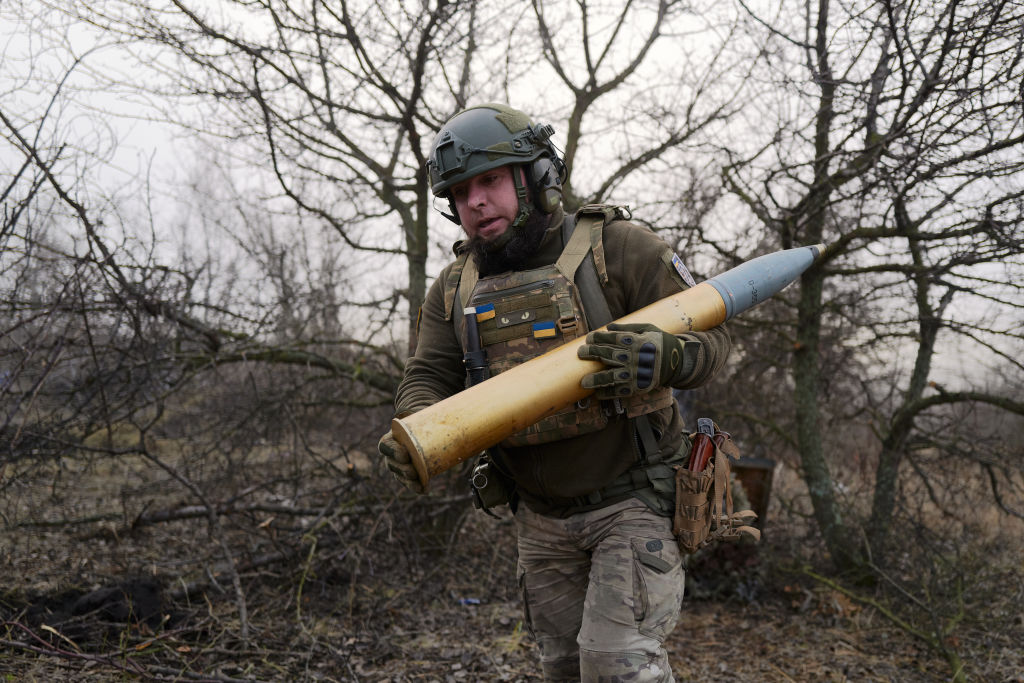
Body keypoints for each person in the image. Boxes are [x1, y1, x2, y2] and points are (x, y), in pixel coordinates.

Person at [378, 103, 731, 682]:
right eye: (461, 193)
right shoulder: (455, 285)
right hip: (539, 518)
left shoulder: (619, 248)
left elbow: (715, 341)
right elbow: (427, 376)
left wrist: (671, 357)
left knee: (617, 665)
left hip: (634, 500)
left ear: (537, 176)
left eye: (489, 181)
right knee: (565, 670)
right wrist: (418, 429)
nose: (476, 204)